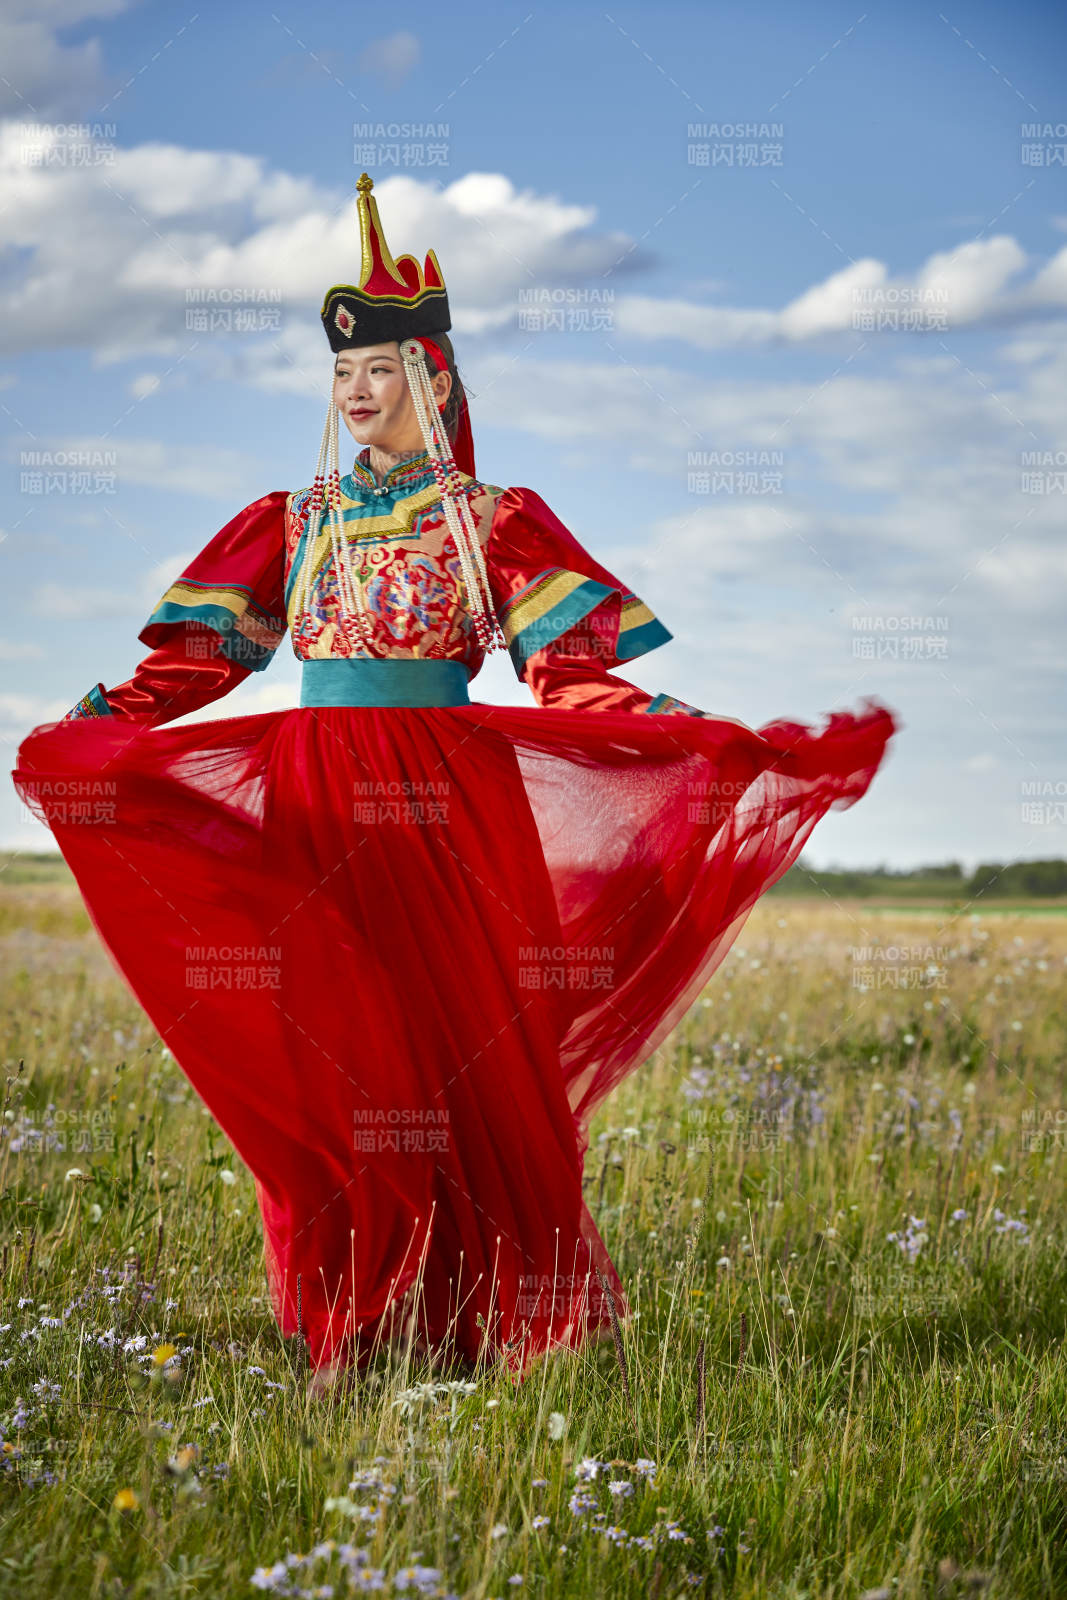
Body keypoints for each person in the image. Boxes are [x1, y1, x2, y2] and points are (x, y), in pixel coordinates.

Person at [12, 174, 899, 1386]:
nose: (356, 388)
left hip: (450, 809)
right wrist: (91, 729)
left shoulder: (492, 521)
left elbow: (570, 677)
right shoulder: (291, 519)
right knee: (343, 1060)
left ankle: (484, 1317)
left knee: (470, 1060)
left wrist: (698, 739)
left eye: (380, 367)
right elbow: (197, 663)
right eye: (342, 370)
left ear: (431, 380)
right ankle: (350, 1317)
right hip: (318, 802)